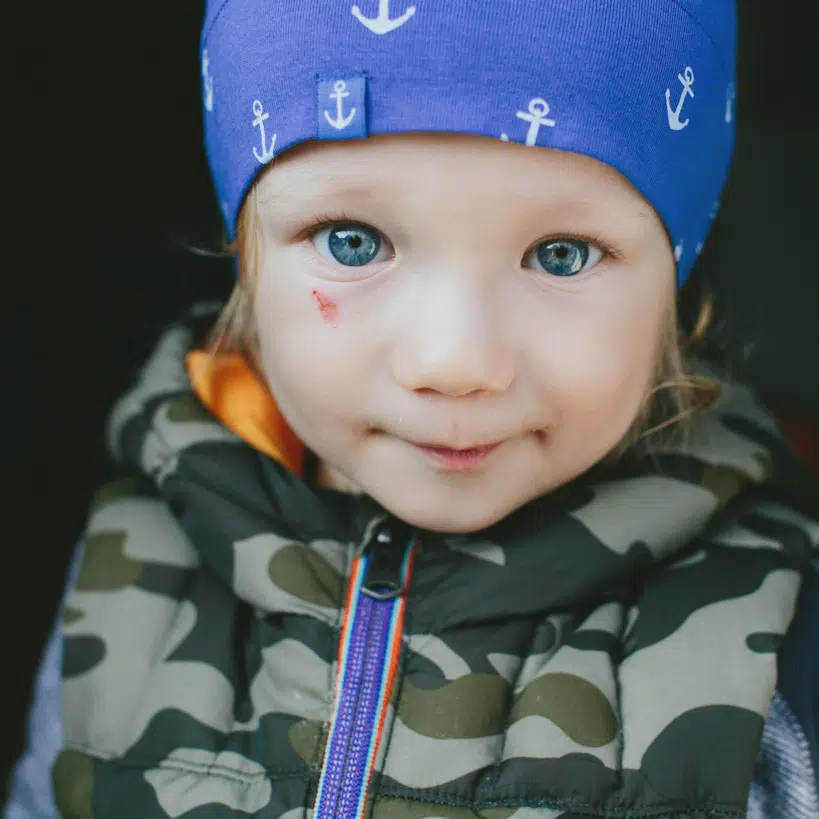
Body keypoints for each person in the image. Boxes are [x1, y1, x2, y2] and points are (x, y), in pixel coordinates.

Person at [5, 1, 819, 817]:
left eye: (561, 255)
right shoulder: (135, 568)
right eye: (352, 241)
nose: (453, 362)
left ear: (672, 292)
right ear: (243, 261)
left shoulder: (772, 635)